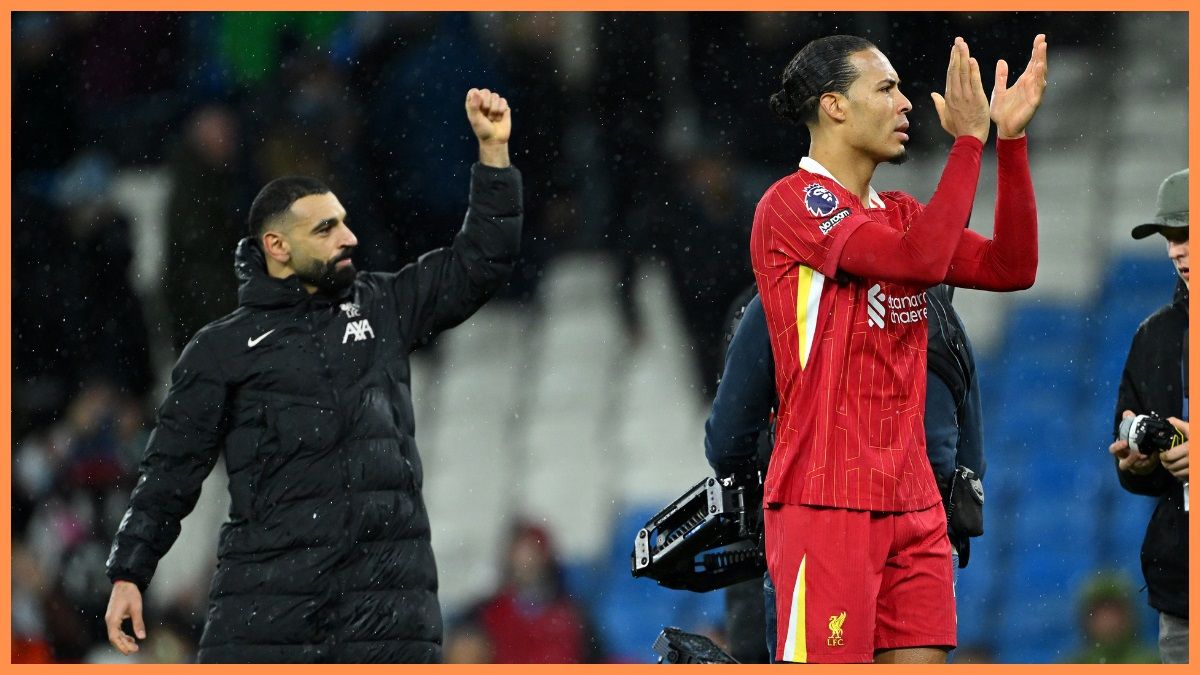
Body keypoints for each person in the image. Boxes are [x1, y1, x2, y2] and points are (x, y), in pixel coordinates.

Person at [103, 88, 522, 663]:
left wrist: (493, 156)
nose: (348, 238)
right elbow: (169, 470)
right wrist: (130, 572)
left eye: (344, 224)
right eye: (325, 229)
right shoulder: (222, 348)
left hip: (386, 618)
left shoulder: (382, 306)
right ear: (276, 247)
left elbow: (480, 264)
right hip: (271, 617)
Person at [750, 34, 1046, 663]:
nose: (906, 103)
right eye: (885, 89)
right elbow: (921, 261)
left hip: (914, 498)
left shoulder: (904, 212)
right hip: (826, 494)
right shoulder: (792, 205)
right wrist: (968, 142)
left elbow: (1012, 266)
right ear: (833, 106)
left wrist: (1009, 143)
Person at [706, 283, 984, 663]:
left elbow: (727, 442)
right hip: (923, 529)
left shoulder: (790, 297)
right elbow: (969, 462)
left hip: (823, 521)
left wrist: (761, 492)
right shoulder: (940, 313)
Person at [1106, 168, 1189, 664]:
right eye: (1169, 237)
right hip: (1183, 598)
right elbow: (1128, 439)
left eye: (1188, 235)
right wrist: (1135, 464)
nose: (1177, 250)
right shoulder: (1154, 336)